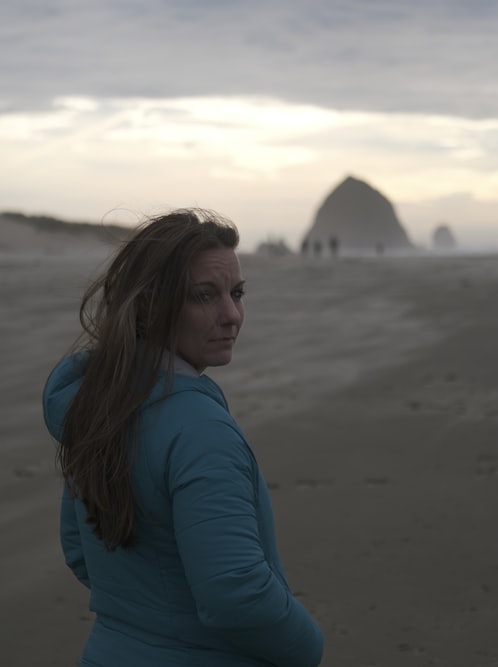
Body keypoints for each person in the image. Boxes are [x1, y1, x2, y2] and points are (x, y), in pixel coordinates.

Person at [43, 209, 325, 667]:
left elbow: (81, 552)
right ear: (150, 307)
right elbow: (237, 593)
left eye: (236, 294)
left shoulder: (98, 408)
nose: (231, 315)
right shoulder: (200, 431)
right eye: (204, 296)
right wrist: (308, 647)